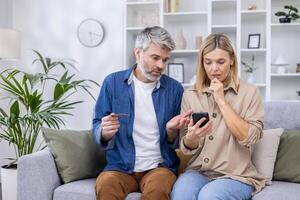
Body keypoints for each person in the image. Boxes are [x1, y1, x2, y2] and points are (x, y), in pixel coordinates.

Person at [92, 26, 190, 200]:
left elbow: (177, 143)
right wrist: (104, 132)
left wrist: (170, 131)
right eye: (155, 58)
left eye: (165, 60)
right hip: (119, 167)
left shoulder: (174, 89)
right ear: (138, 53)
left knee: (158, 192)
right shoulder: (112, 83)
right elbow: (97, 125)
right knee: (106, 186)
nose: (161, 65)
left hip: (159, 167)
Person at [171, 33, 266, 200]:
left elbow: (249, 137)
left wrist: (221, 101)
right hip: (198, 172)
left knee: (210, 196)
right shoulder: (190, 95)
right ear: (202, 63)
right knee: (181, 194)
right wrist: (191, 137)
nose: (214, 68)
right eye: (208, 62)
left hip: (236, 176)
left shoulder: (250, 93)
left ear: (232, 60)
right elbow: (186, 145)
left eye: (220, 62)